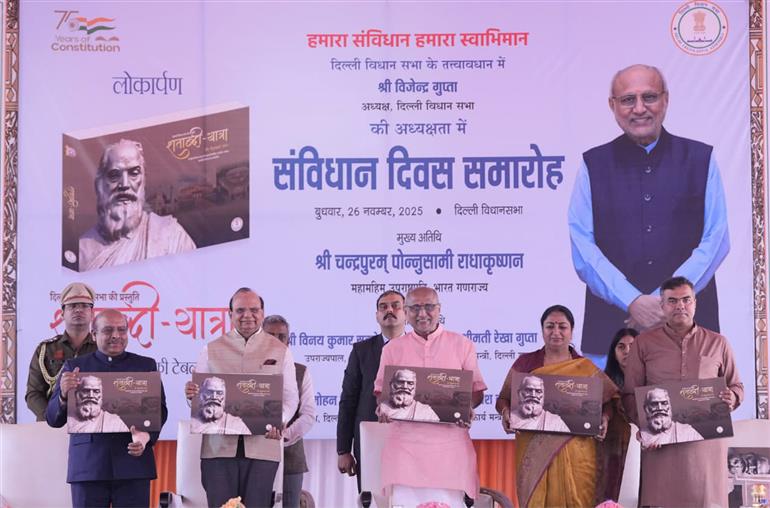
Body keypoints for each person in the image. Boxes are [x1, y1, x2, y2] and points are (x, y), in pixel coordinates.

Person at [568, 64, 729, 360]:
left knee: (694, 393)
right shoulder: (593, 164)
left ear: (665, 100)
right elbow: (582, 246)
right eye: (628, 99)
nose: (639, 108)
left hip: (692, 335)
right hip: (611, 336)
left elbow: (716, 240)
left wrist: (667, 300)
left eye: (650, 97)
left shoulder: (700, 159)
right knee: (611, 394)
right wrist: (631, 300)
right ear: (613, 106)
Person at [622, 276, 743, 507]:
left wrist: (732, 397)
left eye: (686, 300)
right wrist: (645, 427)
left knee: (706, 501)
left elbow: (737, 386)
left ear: (695, 303)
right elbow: (629, 395)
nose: (680, 306)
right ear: (662, 306)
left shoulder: (718, 342)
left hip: (706, 447)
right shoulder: (643, 343)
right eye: (672, 301)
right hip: (661, 447)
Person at [184, 288, 299, 508]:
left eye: (254, 310)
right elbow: (197, 398)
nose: (247, 316)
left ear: (262, 313)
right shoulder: (211, 349)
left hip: (263, 447)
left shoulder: (281, 351)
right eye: (240, 310)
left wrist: (278, 420)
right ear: (230, 314)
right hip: (218, 449)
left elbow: (291, 397)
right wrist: (191, 395)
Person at [496, 305, 618, 507]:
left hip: (577, 452)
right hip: (534, 453)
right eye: (550, 326)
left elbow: (608, 402)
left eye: (562, 327)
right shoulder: (526, 363)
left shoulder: (585, 367)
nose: (556, 332)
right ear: (542, 329)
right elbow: (503, 399)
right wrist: (505, 412)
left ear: (572, 330)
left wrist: (604, 418)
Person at [374, 287, 486, 506]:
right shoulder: (392, 349)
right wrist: (383, 408)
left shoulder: (462, 345)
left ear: (439, 309)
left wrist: (467, 407)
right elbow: (381, 392)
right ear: (406, 312)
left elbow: (476, 391)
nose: (422, 313)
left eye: (428, 307)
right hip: (404, 451)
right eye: (415, 308)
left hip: (450, 452)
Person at [45, 309, 167, 508]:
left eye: (122, 330)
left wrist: (145, 437)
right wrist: (64, 395)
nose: (116, 336)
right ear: (94, 335)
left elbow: (160, 411)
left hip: (133, 466)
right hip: (88, 467)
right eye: (108, 330)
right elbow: (52, 419)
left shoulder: (145, 365)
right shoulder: (75, 367)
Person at [78, 138, 196, 271]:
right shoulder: (82, 251)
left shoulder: (171, 235)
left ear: (143, 180)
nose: (125, 184)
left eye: (134, 173)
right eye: (114, 175)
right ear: (100, 185)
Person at [337, 290, 406, 491]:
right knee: (373, 498)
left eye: (395, 305)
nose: (389, 310)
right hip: (371, 439)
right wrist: (343, 450)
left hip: (411, 441)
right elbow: (348, 400)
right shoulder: (361, 351)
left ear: (406, 314)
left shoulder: (420, 349)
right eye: (383, 307)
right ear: (377, 315)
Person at [263, 314, 316, 508]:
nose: (276, 341)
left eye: (281, 336)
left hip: (291, 456)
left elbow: (308, 414)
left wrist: (283, 436)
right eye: (270, 336)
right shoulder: (249, 370)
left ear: (289, 341)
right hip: (253, 457)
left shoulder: (301, 371)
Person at [26, 282, 98, 420]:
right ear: (62, 314)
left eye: (84, 306)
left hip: (92, 424)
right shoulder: (46, 349)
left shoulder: (102, 349)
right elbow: (33, 394)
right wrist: (52, 417)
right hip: (51, 425)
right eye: (72, 306)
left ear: (92, 314)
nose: (78, 310)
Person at [600, 327, 638, 501]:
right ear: (614, 353)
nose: (627, 351)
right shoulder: (604, 382)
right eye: (621, 347)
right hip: (611, 451)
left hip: (644, 452)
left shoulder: (651, 382)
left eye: (632, 346)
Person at [638, 387, 703, 447]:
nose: (660, 408)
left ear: (669, 406)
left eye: (664, 403)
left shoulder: (688, 432)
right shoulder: (640, 436)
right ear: (646, 408)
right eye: (654, 404)